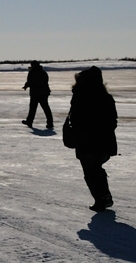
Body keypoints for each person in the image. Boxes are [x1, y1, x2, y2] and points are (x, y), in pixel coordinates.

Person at [65, 66, 118, 212]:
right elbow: (113, 121)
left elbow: (75, 119)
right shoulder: (106, 97)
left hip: (86, 142)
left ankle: (99, 201)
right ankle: (105, 196)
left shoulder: (80, 95)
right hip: (104, 141)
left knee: (90, 171)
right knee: (97, 168)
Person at [23, 60, 54, 130]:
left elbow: (30, 81)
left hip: (35, 93)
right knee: (46, 108)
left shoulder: (32, 72)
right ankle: (50, 123)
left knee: (33, 108)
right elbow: (45, 81)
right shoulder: (43, 72)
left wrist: (26, 86)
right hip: (43, 93)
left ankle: (29, 122)